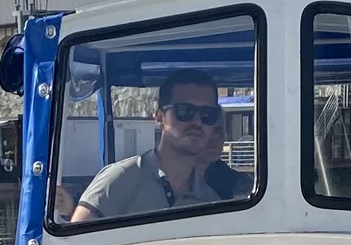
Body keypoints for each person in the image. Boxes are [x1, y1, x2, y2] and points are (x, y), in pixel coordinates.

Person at [71, 73, 247, 222]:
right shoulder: (120, 180)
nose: (197, 122)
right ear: (159, 118)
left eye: (208, 115)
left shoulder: (211, 201)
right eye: (185, 111)